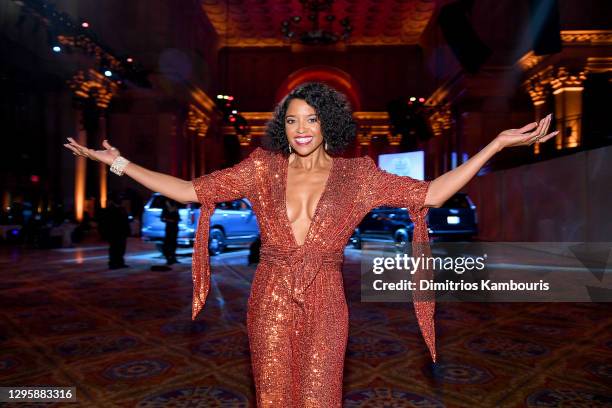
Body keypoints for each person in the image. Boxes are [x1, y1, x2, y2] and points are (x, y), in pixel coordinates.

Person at [64, 82, 557, 406]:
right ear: (283, 124)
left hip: (326, 299)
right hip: (269, 297)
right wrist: (119, 163)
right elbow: (190, 190)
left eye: (312, 120)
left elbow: (430, 194)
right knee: (274, 395)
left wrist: (493, 145)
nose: (301, 130)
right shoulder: (261, 167)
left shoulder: (358, 176)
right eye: (293, 120)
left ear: (329, 124)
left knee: (321, 395)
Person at [98, 192, 131, 269]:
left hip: (122, 232)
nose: (120, 200)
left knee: (121, 248)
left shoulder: (122, 209)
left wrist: (127, 231)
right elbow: (106, 222)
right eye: (118, 198)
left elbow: (125, 221)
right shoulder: (110, 209)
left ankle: (120, 262)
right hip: (114, 232)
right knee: (114, 248)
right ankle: (113, 263)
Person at [161, 197, 180, 265]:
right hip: (169, 227)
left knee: (174, 243)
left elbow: (177, 216)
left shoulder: (175, 205)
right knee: (168, 243)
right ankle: (168, 258)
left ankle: (173, 258)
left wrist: (177, 220)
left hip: (175, 227)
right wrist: (170, 220)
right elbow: (162, 218)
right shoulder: (166, 206)